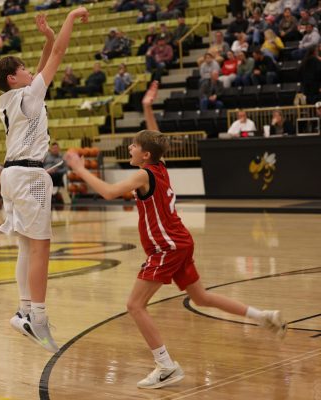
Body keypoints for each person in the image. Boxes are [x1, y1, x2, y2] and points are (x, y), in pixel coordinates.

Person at [63, 81, 286, 389]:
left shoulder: (143, 174)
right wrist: (146, 107)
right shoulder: (160, 166)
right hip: (179, 241)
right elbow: (157, 140)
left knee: (134, 305)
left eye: (134, 146)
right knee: (201, 297)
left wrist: (79, 167)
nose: (130, 148)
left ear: (144, 155)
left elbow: (110, 193)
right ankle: (263, 316)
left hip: (166, 247)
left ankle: (166, 366)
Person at [0, 7, 90, 353]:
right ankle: (37, 318)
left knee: (26, 246)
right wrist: (71, 17)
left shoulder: (12, 97)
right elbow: (57, 56)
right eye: (24, 69)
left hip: (14, 172)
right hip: (27, 174)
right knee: (40, 245)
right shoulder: (29, 96)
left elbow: (45, 62)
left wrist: (46, 36)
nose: (32, 70)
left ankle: (24, 310)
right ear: (14, 78)